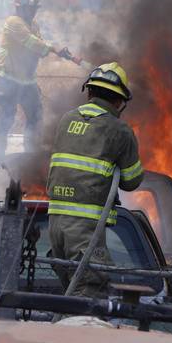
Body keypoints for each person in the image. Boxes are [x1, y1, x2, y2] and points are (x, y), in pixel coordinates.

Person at [46, 62, 144, 297]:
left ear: (89, 92)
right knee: (88, 293)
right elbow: (131, 180)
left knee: (70, 289)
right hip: (85, 228)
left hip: (55, 225)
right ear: (119, 101)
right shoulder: (119, 130)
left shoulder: (66, 120)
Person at [0, 0, 77, 160]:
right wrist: (54, 48)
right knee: (6, 116)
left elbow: (39, 49)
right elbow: (32, 43)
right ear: (20, 8)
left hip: (27, 81)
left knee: (35, 117)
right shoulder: (13, 22)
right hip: (8, 79)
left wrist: (50, 49)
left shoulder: (34, 25)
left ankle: (31, 155)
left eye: (34, 9)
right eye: (29, 8)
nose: (32, 12)